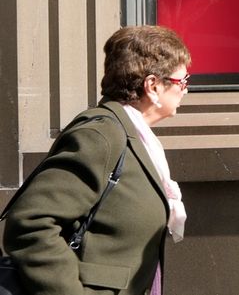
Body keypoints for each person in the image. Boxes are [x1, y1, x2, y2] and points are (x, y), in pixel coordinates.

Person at [3, 25, 191, 294]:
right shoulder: (101, 137)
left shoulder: (136, 137)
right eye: (181, 81)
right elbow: (31, 224)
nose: (185, 90)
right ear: (152, 86)